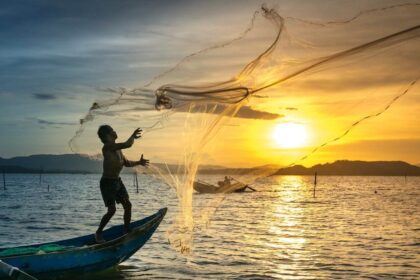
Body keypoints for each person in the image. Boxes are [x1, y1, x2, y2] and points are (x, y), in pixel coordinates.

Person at [95, 125, 149, 243]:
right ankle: (98, 233)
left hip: (117, 181)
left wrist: (139, 162)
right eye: (112, 131)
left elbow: (126, 163)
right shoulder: (108, 147)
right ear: (107, 136)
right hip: (107, 183)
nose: (115, 131)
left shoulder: (118, 149)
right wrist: (133, 136)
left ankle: (126, 230)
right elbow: (127, 144)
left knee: (128, 205)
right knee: (112, 210)